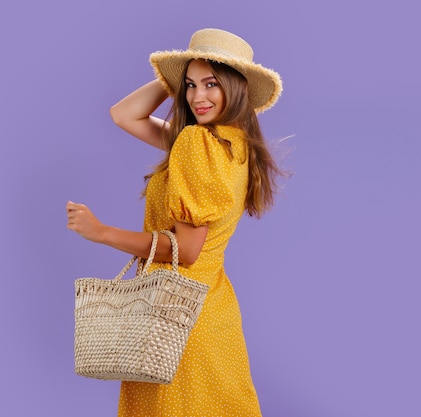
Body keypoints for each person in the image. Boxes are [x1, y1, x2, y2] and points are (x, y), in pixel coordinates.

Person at [65, 28, 283, 416]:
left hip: (172, 319)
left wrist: (102, 233)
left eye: (212, 84)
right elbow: (124, 115)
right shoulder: (234, 147)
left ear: (236, 88)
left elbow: (186, 251)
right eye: (190, 85)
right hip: (212, 312)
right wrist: (179, 73)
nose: (197, 97)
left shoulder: (196, 145)